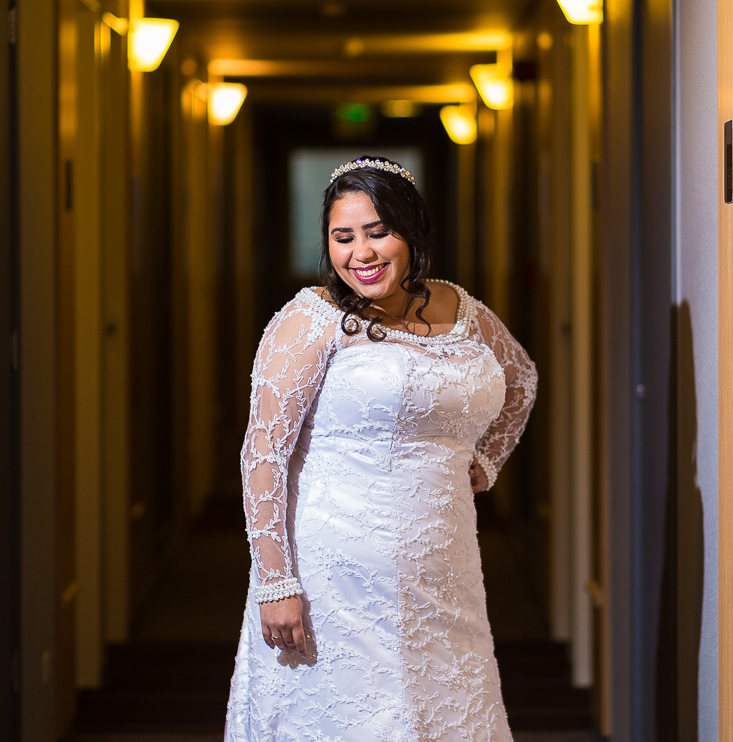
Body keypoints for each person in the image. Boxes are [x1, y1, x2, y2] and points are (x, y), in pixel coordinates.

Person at [224, 156, 538, 741]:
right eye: (343, 237)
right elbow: (262, 455)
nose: (361, 254)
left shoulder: (460, 309)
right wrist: (276, 583)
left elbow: (520, 379)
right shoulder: (309, 319)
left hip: (445, 570)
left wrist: (485, 459)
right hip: (335, 577)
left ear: (412, 231)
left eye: (378, 232)